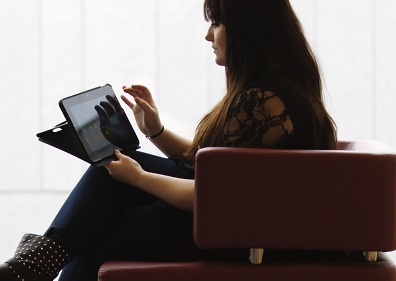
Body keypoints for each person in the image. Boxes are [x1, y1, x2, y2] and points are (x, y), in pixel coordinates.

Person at [0, 0, 336, 280]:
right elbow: (211, 165)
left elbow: (212, 196)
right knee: (110, 179)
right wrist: (155, 130)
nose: (208, 35)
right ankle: (33, 265)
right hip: (236, 223)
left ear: (250, 30)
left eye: (217, 24)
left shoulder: (263, 102)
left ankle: (32, 265)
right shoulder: (282, 89)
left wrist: (139, 178)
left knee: (94, 228)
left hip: (227, 232)